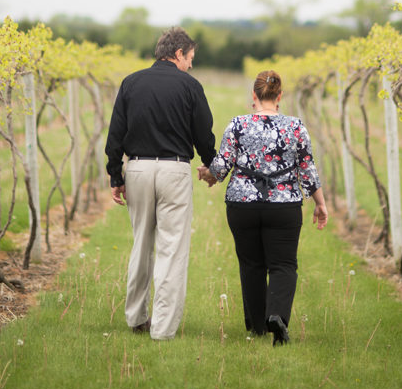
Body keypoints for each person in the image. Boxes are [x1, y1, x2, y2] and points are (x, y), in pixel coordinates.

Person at [199, 69, 327, 345]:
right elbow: (307, 169)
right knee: (283, 264)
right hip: (284, 205)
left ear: (254, 96)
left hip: (242, 205)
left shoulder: (237, 124)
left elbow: (220, 167)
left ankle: (257, 326)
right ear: (280, 96)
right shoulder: (295, 126)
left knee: (251, 264)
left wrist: (207, 173)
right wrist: (320, 203)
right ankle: (277, 315)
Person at [105, 26, 216, 341]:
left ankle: (137, 318)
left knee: (141, 245)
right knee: (171, 249)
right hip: (175, 171)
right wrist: (212, 166)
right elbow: (203, 136)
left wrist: (116, 175)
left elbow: (115, 134)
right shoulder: (190, 87)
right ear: (179, 53)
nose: (191, 65)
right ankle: (163, 329)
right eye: (190, 57)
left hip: (137, 169)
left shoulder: (130, 83)